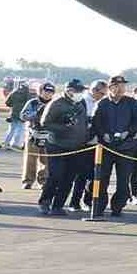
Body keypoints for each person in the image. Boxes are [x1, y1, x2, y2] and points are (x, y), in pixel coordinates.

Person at [89, 76, 137, 219]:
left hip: (126, 148)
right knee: (101, 179)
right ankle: (98, 207)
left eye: (123, 86)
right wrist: (103, 134)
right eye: (117, 86)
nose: (121, 89)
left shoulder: (132, 103)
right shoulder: (102, 104)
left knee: (123, 181)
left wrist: (129, 132)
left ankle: (117, 207)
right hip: (106, 147)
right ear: (110, 88)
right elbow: (96, 122)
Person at [35, 79, 91, 216]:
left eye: (81, 91)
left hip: (76, 146)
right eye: (78, 91)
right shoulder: (57, 103)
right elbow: (45, 123)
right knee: (56, 175)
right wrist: (63, 125)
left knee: (68, 178)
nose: (80, 93)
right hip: (57, 146)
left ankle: (58, 206)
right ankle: (45, 201)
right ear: (69, 91)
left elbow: (83, 122)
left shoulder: (81, 103)